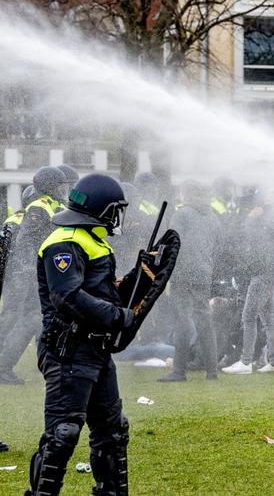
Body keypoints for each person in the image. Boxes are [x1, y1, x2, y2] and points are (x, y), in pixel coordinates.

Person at [26, 173, 177, 495]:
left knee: (113, 432)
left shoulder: (93, 240)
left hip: (96, 350)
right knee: (63, 434)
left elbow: (103, 293)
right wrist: (117, 316)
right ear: (102, 209)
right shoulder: (64, 242)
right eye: (116, 210)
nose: (118, 216)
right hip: (68, 351)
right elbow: (67, 296)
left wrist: (141, 275)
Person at [0, 166, 69, 385]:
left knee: (32, 318)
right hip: (26, 275)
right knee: (22, 317)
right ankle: (5, 367)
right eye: (60, 186)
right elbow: (25, 242)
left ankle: (38, 364)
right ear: (49, 186)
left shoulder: (52, 206)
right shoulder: (39, 207)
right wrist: (31, 271)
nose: (63, 190)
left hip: (31, 274)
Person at [158, 181, 219, 382]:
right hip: (204, 272)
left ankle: (179, 371)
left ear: (187, 194)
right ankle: (212, 372)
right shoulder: (212, 216)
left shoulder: (181, 214)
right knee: (205, 320)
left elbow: (172, 243)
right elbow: (218, 246)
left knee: (182, 320)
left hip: (183, 273)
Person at [222, 198, 274, 375]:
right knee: (268, 318)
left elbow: (249, 235)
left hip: (261, 276)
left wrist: (251, 219)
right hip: (271, 274)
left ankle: (246, 362)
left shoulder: (260, 224)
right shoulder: (273, 223)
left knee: (248, 317)